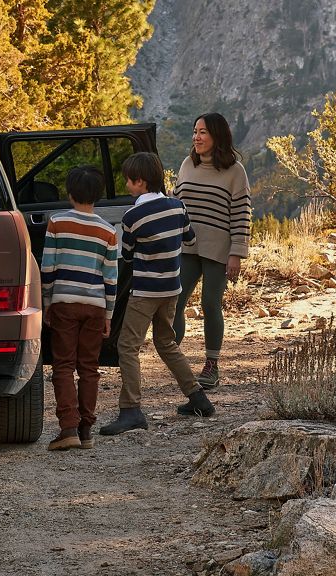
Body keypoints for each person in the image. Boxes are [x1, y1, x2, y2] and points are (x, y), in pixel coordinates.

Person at [100, 152, 214, 436]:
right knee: (166, 343)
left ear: (139, 181)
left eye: (128, 180)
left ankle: (131, 410)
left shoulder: (132, 216)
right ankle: (198, 398)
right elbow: (190, 239)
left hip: (145, 292)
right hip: (171, 289)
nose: (127, 185)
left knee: (127, 346)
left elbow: (125, 255)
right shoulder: (177, 207)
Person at [40, 165, 118, 450]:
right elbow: (111, 278)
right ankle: (86, 431)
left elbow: (48, 266)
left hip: (65, 303)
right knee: (89, 367)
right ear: (97, 196)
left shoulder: (57, 222)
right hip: (96, 306)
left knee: (63, 365)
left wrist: (48, 302)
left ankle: (68, 427)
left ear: (70, 193)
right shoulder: (108, 231)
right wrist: (108, 314)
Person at [172, 113, 252, 390]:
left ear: (217, 136)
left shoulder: (235, 171)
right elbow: (176, 204)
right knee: (175, 303)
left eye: (203, 132)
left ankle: (211, 366)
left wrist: (237, 253)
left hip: (219, 250)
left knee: (210, 304)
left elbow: (242, 214)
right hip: (187, 246)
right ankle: (176, 362)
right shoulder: (187, 165)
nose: (196, 137)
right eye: (195, 131)